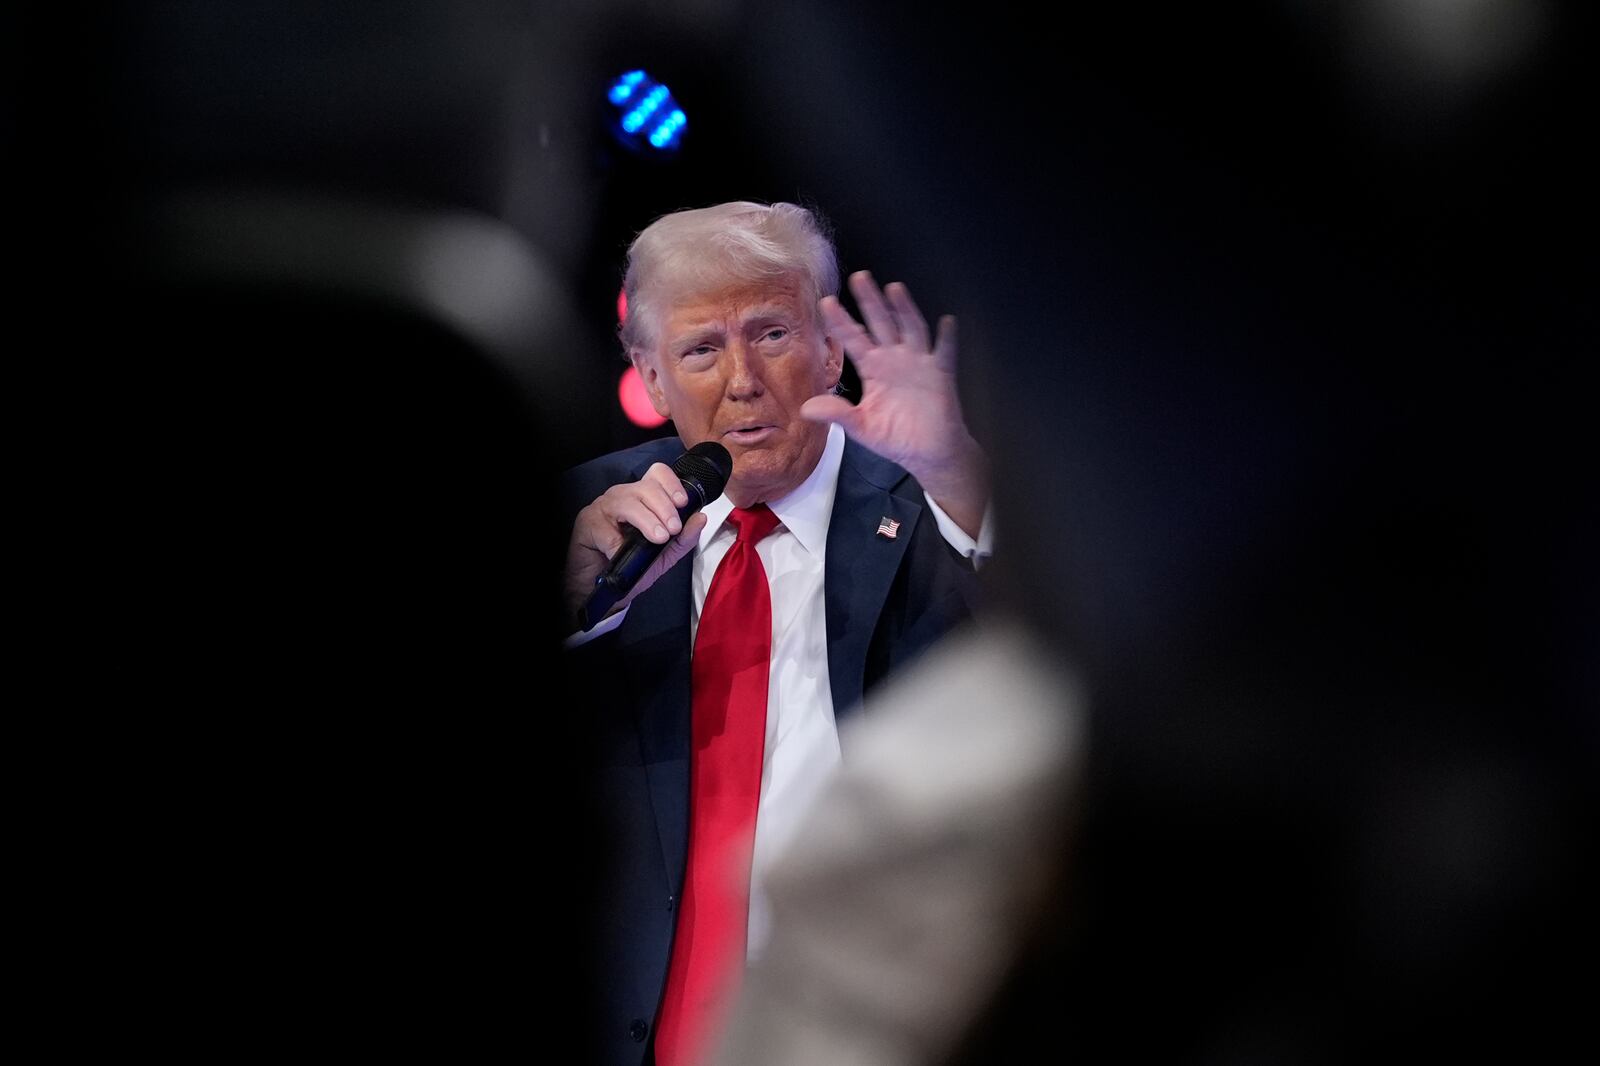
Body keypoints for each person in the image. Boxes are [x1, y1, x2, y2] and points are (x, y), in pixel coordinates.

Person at [561, 201, 993, 1066]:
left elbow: (1049, 660)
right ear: (648, 375)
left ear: (830, 348)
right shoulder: (585, 525)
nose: (741, 380)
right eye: (699, 349)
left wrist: (957, 479)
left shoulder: (927, 498)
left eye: (770, 334)